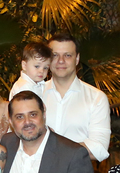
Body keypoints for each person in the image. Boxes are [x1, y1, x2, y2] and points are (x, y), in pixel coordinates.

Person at [39, 32, 111, 162]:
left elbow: (99, 148)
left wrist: (53, 150)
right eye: (55, 55)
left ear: (77, 59)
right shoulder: (35, 93)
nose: (61, 61)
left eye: (67, 55)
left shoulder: (96, 98)